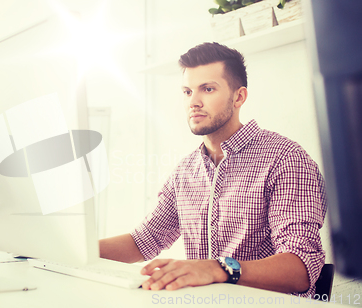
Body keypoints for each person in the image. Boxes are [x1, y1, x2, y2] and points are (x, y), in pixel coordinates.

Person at [99, 42, 327, 297]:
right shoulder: (184, 171)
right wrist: (77, 252)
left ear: (239, 97)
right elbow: (146, 239)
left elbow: (301, 269)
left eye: (207, 89)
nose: (193, 102)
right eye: (187, 92)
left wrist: (218, 269)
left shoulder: (287, 160)